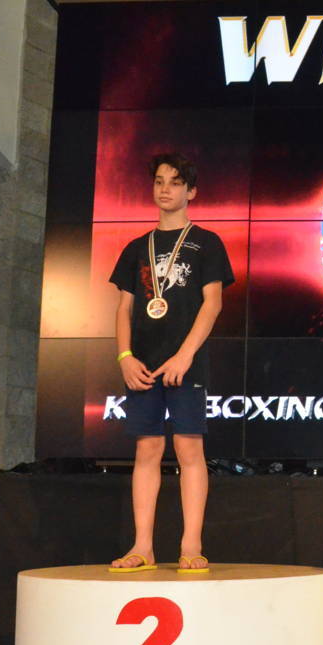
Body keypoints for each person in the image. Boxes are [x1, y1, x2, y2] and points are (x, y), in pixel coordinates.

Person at [108, 153, 234, 573]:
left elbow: (212, 304)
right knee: (146, 448)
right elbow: (123, 309)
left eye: (176, 182)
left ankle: (191, 545)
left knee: (189, 448)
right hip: (142, 364)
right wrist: (125, 357)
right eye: (159, 181)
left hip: (186, 363)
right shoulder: (135, 248)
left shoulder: (207, 242)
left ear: (191, 191)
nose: (165, 189)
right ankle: (142, 547)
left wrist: (185, 354)